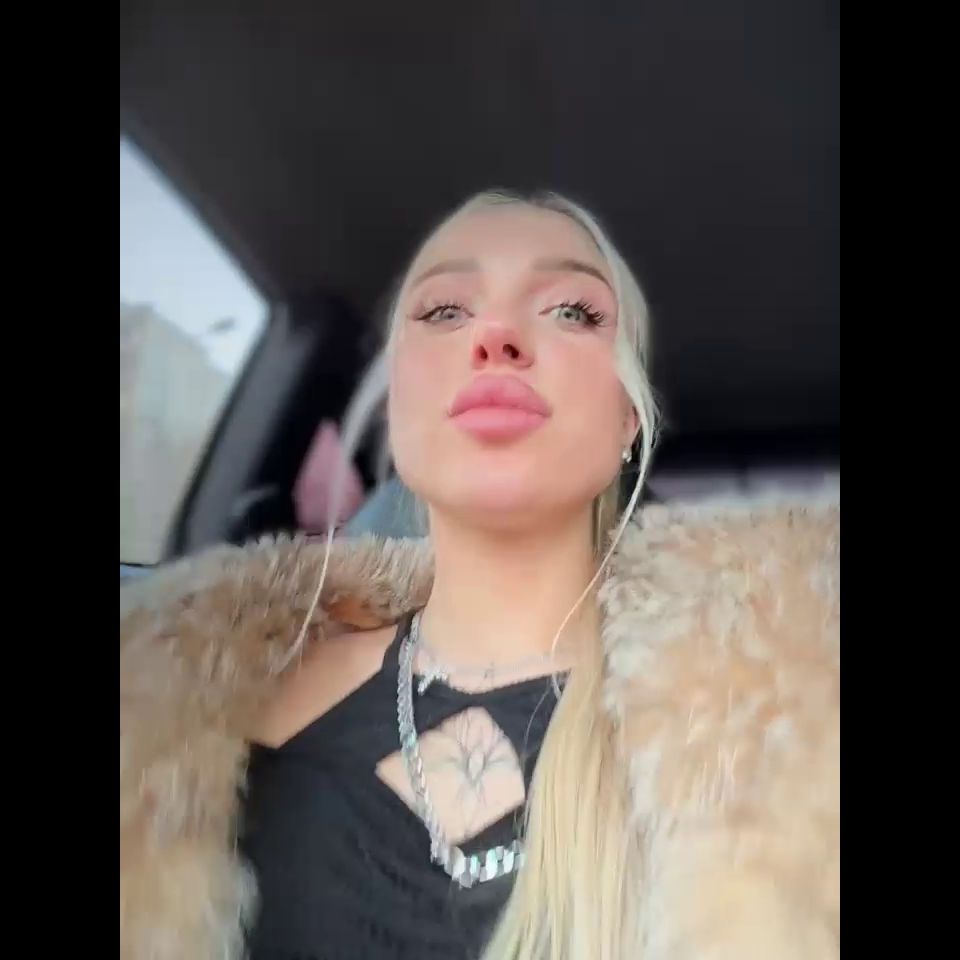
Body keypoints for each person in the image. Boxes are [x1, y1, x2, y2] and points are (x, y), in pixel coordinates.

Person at [120, 190, 840, 960]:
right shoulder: (179, 706)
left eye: (571, 311)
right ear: (396, 403)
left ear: (628, 417)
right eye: (444, 311)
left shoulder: (793, 718)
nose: (497, 336)